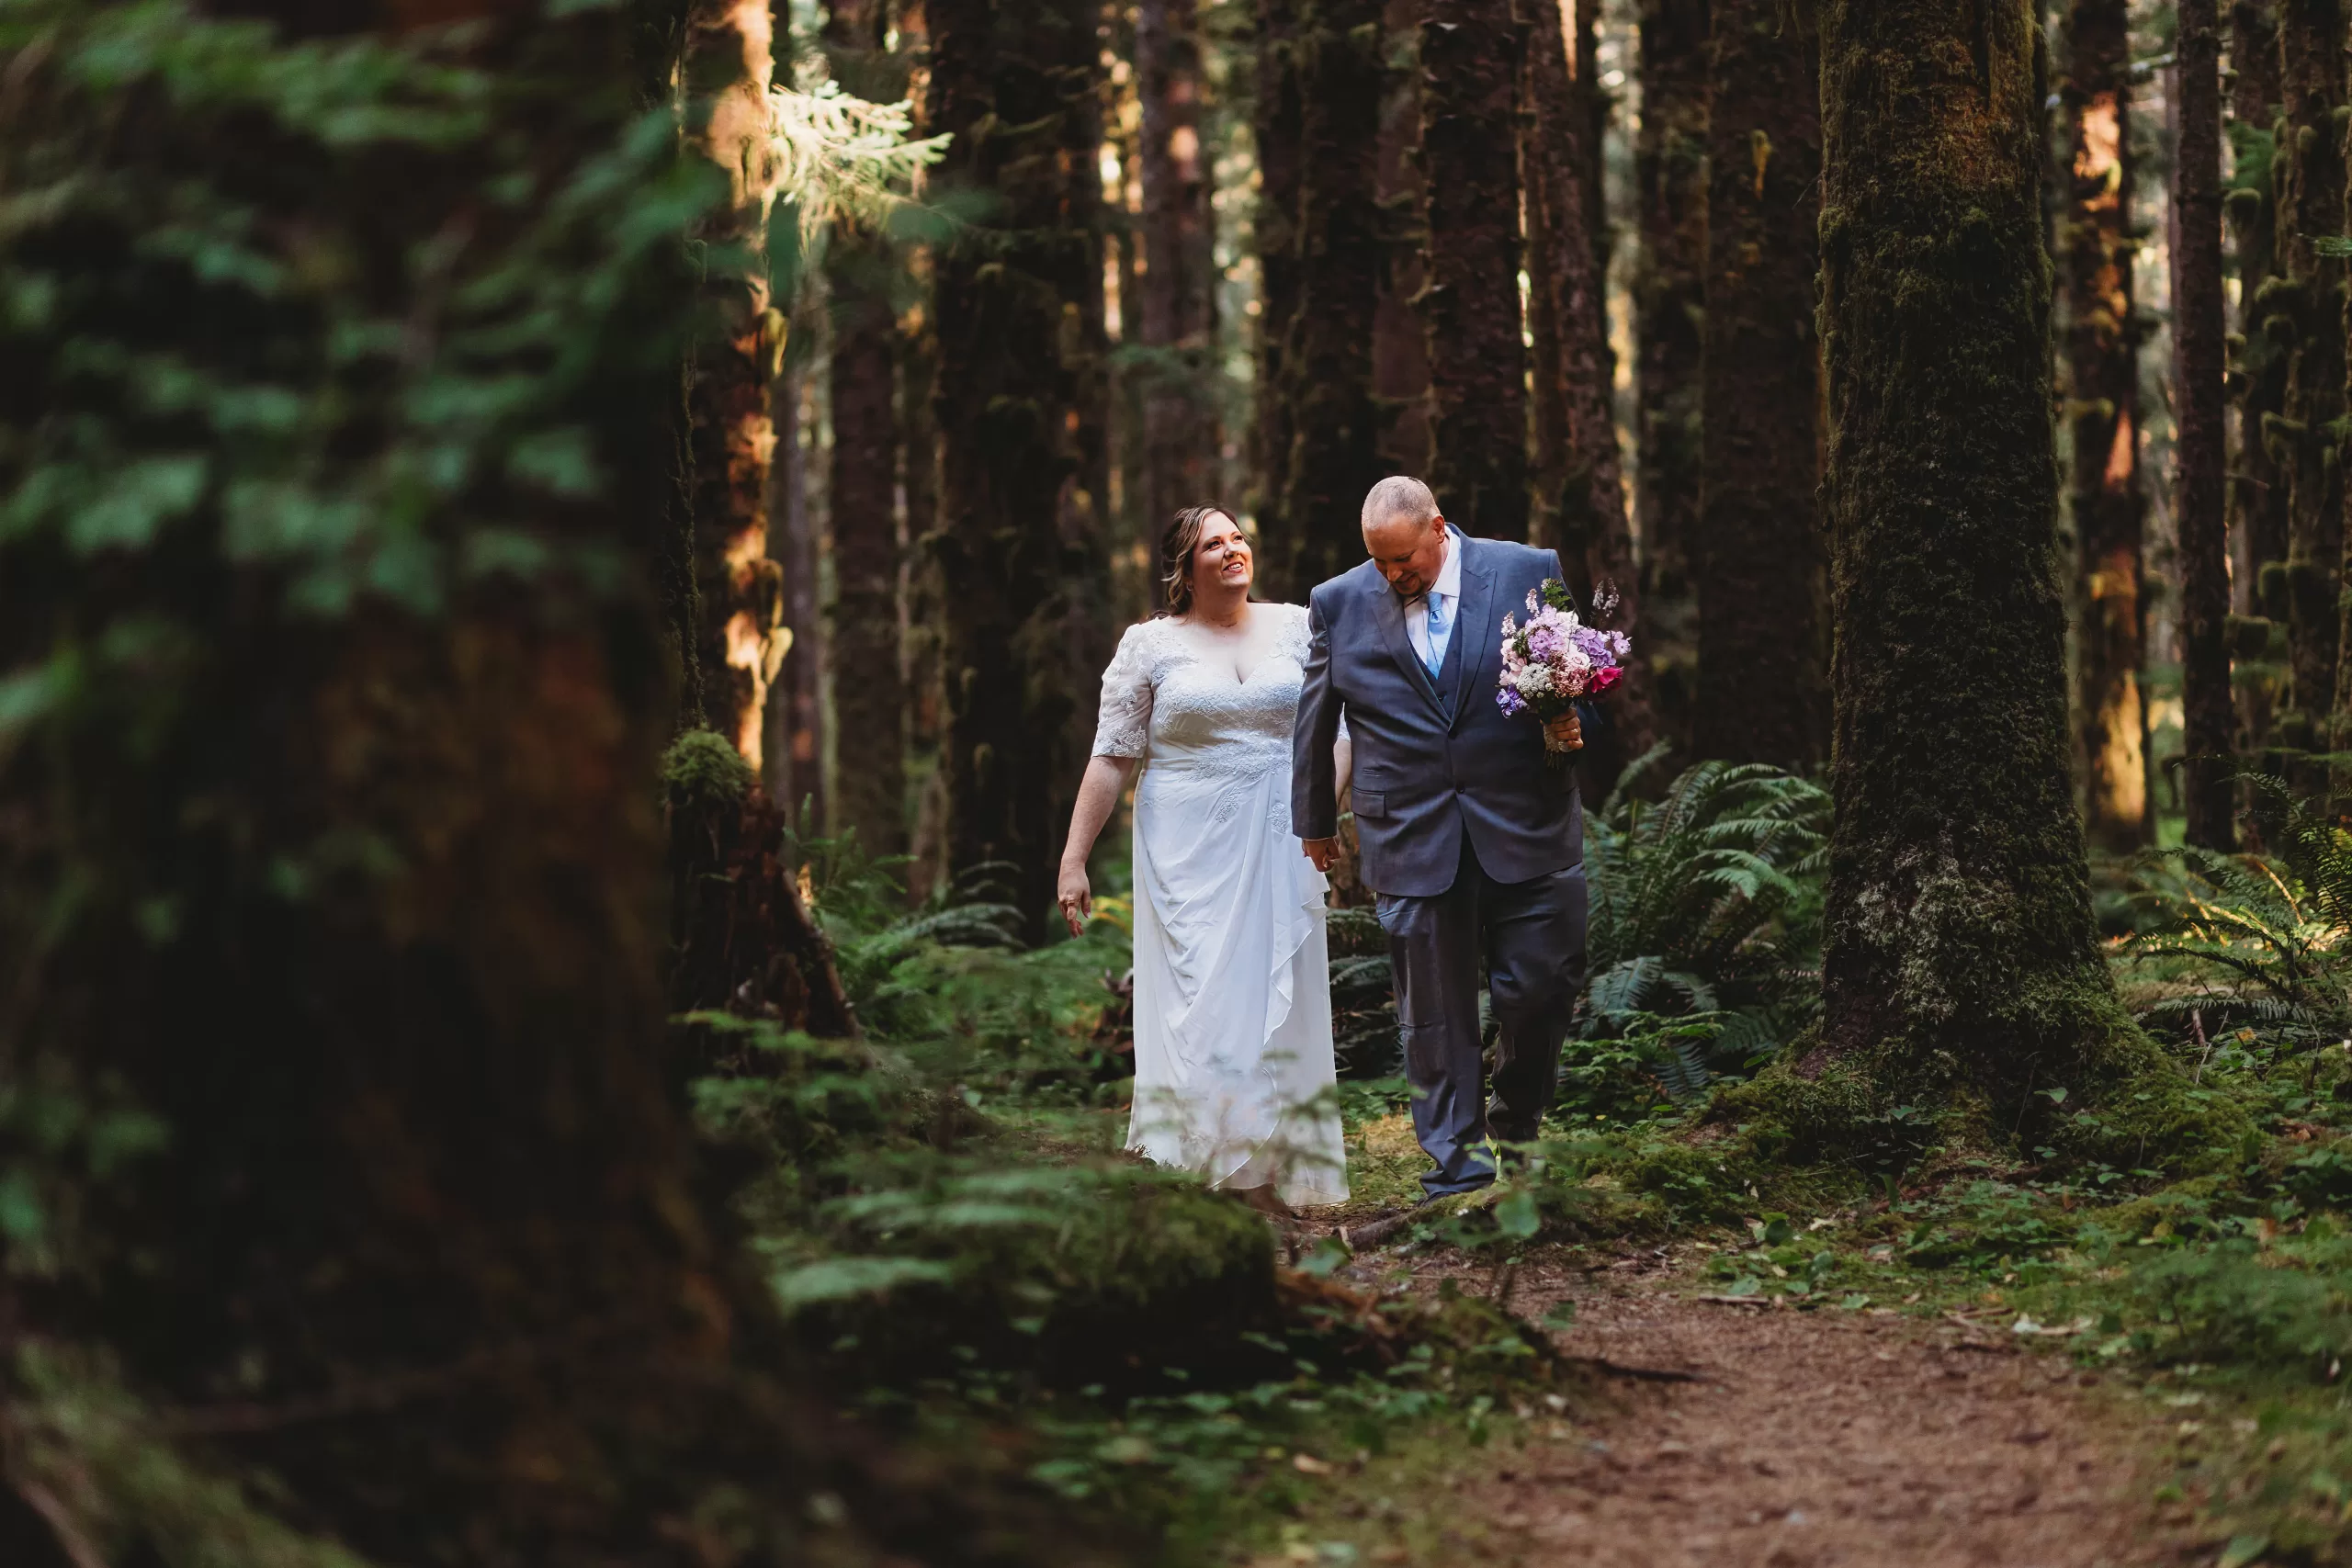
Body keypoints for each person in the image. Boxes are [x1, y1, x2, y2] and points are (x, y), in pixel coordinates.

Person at [1291, 476, 1589, 1199]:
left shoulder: (1528, 570)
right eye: (1380, 563)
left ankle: (1516, 1124)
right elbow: (1316, 717)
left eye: (1405, 560)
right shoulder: (1336, 602)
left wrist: (1572, 726)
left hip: (1527, 823)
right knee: (1433, 1013)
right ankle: (1457, 1167)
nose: (1394, 576)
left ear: (1438, 528)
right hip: (1410, 833)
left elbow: (1585, 676)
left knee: (1541, 990)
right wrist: (1315, 824)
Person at [1057, 505, 1351, 1212]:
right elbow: (1111, 758)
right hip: (1187, 846)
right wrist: (1074, 858)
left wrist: (1318, 809)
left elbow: (1341, 729)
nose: (1230, 551)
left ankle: (1277, 1166)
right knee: (1205, 999)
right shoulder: (1148, 646)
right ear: (1184, 569)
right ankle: (1213, 1165)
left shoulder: (1297, 624)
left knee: (1279, 998)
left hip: (1283, 833)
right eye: (1211, 544)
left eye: (1237, 538)